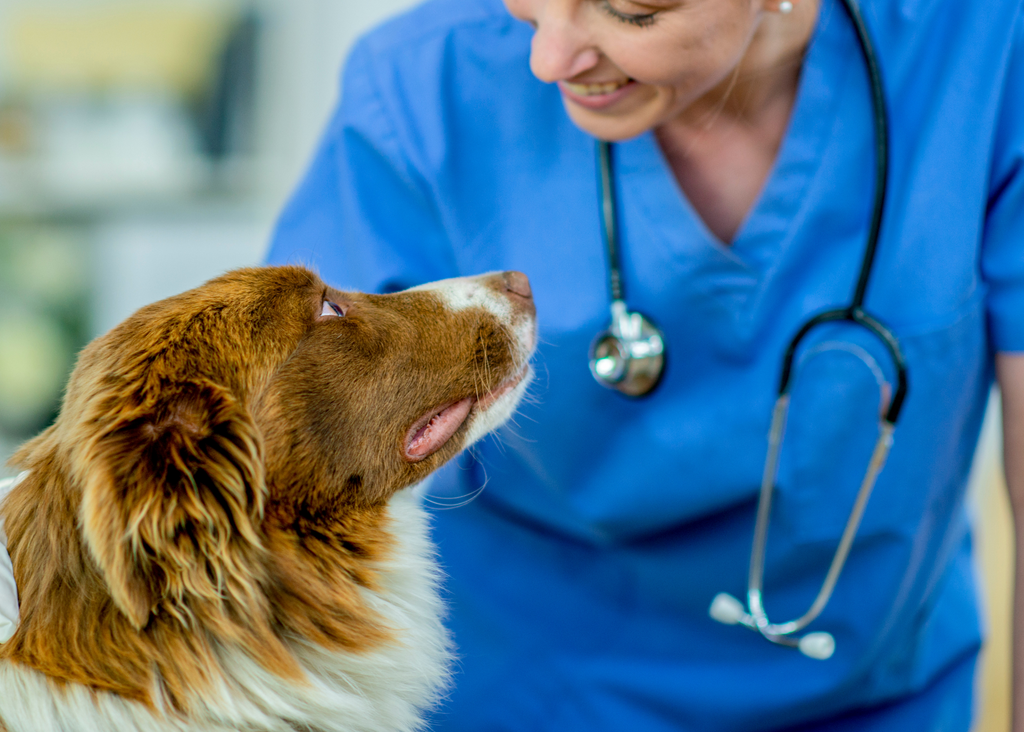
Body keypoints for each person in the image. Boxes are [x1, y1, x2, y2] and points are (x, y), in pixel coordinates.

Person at [265, 0, 1024, 728]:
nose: (548, 57)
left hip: (867, 693)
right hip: (530, 697)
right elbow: (284, 459)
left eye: (631, 10)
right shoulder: (424, 85)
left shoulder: (986, 55)